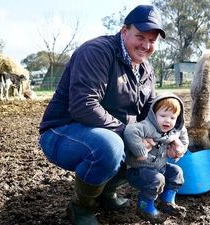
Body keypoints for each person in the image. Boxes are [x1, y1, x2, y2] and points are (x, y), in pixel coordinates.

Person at [38, 4, 166, 225]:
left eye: (152, 40)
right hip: (63, 132)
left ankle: (106, 193)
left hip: (111, 132)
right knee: (111, 146)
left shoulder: (146, 70)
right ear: (124, 31)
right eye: (140, 36)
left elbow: (149, 113)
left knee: (154, 143)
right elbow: (83, 105)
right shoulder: (97, 52)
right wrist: (130, 133)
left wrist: (168, 136)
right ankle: (81, 207)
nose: (146, 45)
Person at [124, 93, 188, 223]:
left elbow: (183, 135)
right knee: (157, 179)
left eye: (172, 117)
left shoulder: (174, 130)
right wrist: (140, 151)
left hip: (160, 168)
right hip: (138, 171)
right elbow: (130, 131)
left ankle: (167, 202)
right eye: (163, 115)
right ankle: (144, 207)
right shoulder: (147, 126)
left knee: (176, 172)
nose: (167, 121)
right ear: (153, 114)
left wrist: (180, 149)